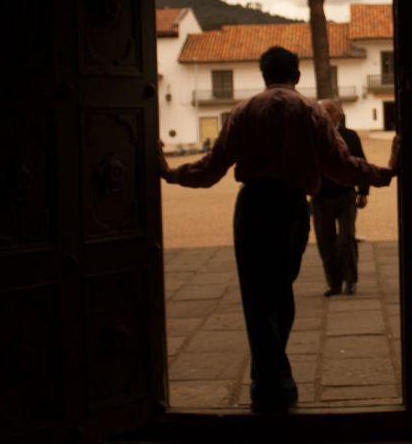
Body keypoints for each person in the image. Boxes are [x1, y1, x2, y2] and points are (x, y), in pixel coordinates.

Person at [157, 46, 397, 414]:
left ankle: (270, 384)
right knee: (280, 293)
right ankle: (274, 383)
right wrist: (383, 175)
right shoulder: (311, 112)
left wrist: (170, 173)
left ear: (263, 74)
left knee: (258, 297)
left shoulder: (244, 112)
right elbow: (341, 166)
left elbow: (211, 167)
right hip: (290, 209)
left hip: (253, 207)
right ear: (296, 75)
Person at [312, 100, 369, 297]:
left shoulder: (350, 136)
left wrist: (364, 191)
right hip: (320, 197)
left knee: (347, 238)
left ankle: (350, 280)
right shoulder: (312, 136)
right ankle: (334, 283)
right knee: (325, 242)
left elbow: (360, 163)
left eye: (328, 111)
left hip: (345, 195)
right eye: (321, 111)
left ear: (338, 114)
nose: (324, 114)